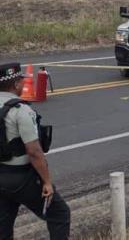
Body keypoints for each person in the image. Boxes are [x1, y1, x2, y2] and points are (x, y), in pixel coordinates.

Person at [0, 63, 70, 239]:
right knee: (59, 213)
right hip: (22, 177)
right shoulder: (20, 110)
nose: (24, 84)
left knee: (3, 226)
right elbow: (34, 152)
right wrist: (46, 181)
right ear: (16, 84)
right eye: (22, 81)